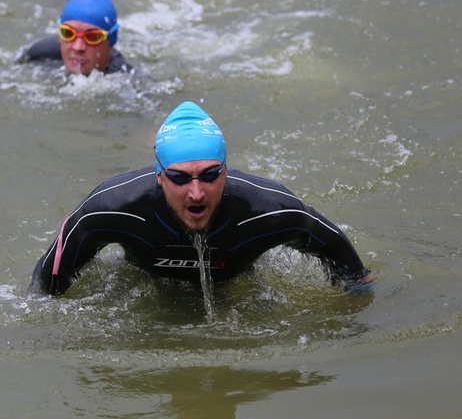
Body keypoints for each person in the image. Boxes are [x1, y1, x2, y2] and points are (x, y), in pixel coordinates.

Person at [30, 101, 374, 296]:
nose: (196, 192)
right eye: (180, 178)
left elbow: (350, 269)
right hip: (146, 282)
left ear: (226, 172)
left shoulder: (270, 210)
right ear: (160, 176)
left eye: (210, 175)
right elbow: (45, 288)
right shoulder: (111, 209)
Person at [18, 0, 133, 76]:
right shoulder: (40, 54)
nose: (78, 47)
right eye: (68, 33)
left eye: (92, 37)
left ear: (110, 41)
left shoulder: (126, 79)